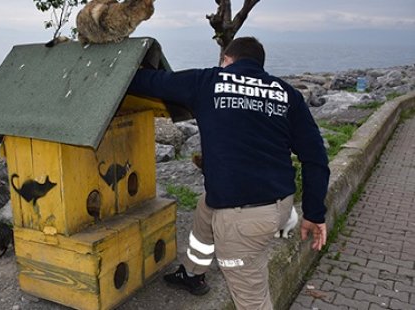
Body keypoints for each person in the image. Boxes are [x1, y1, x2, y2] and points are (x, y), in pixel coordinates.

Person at [127, 37, 330, 309]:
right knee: (205, 210)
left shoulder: (207, 81)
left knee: (251, 297)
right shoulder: (286, 93)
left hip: (244, 221)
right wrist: (314, 213)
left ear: (226, 60)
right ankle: (192, 272)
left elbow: (147, 81)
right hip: (280, 204)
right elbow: (315, 157)